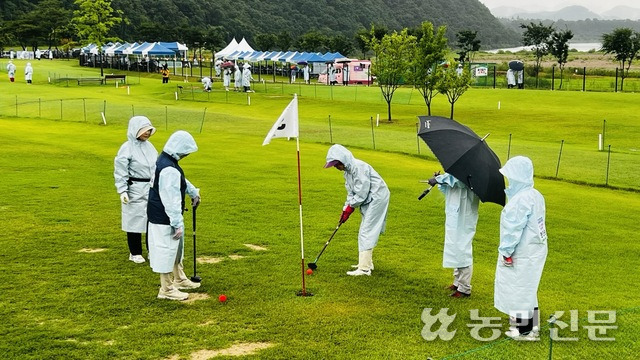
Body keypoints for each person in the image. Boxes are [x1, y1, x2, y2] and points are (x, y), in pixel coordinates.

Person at [494, 156, 548, 340]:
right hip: (534, 248)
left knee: (519, 287)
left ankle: (524, 331)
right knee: (527, 286)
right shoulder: (535, 195)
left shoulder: (521, 200)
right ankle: (531, 326)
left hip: (522, 249)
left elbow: (513, 228)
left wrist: (506, 251)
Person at [147, 131, 201, 301]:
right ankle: (167, 289)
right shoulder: (169, 169)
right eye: (186, 151)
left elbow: (181, 180)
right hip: (163, 217)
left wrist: (193, 192)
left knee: (176, 250)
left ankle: (179, 278)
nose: (186, 155)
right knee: (166, 251)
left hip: (162, 215)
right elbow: (171, 200)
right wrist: (176, 223)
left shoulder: (166, 161)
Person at [324, 144, 390, 276]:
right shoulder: (347, 172)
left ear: (343, 160)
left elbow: (362, 193)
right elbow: (351, 193)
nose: (336, 167)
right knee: (365, 229)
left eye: (337, 164)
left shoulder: (359, 167)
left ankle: (364, 269)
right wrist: (345, 209)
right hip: (369, 199)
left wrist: (351, 207)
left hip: (377, 197)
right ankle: (366, 263)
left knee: (367, 230)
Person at [114, 116, 158, 264]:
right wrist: (122, 190)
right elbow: (120, 170)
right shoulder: (127, 148)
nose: (147, 133)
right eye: (144, 130)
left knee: (151, 220)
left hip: (150, 188)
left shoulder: (150, 147)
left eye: (149, 130)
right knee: (134, 219)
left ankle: (152, 250)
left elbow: (155, 167)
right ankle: (135, 252)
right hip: (134, 188)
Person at [428, 172, 479, 298]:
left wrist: (439, 179)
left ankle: (464, 288)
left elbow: (460, 180)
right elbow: (449, 188)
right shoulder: (459, 169)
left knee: (462, 249)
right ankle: (457, 282)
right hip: (454, 214)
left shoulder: (471, 172)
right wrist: (441, 181)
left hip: (464, 216)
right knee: (455, 247)